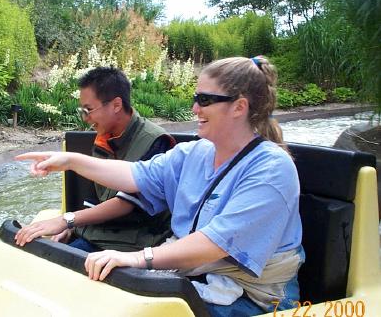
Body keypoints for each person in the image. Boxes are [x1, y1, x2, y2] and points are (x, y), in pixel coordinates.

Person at [15, 57, 304, 316]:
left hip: (255, 298)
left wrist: (138, 259)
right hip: (193, 276)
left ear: (239, 106)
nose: (194, 108)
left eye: (204, 100)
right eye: (195, 97)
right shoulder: (194, 153)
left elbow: (214, 244)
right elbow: (134, 175)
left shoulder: (271, 168)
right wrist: (70, 160)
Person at [15, 66, 174, 253]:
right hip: (100, 233)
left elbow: (126, 203)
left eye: (89, 110)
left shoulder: (155, 141)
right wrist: (72, 227)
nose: (86, 118)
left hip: (136, 241)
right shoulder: (104, 137)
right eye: (82, 110)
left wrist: (66, 220)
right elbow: (96, 196)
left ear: (116, 105)